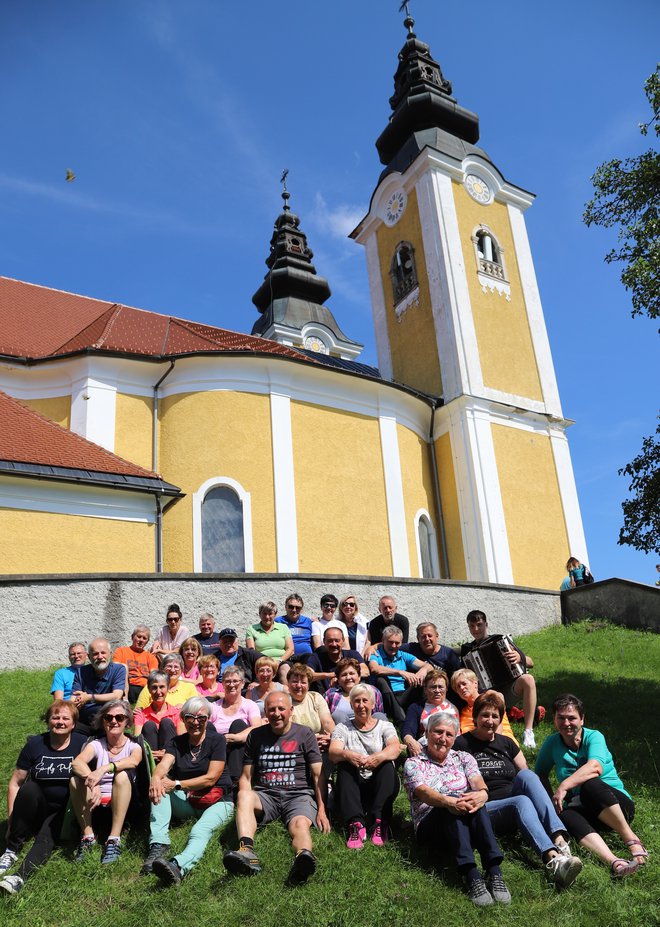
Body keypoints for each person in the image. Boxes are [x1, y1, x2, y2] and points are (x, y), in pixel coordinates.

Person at [456, 692, 583, 889]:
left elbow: (525, 774)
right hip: (485, 807)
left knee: (527, 776)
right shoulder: (462, 744)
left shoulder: (506, 742)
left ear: (500, 720)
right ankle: (554, 861)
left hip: (512, 798)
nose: (490, 721)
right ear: (475, 717)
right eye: (485, 715)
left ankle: (559, 841)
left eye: (495, 716)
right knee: (522, 801)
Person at [404, 712, 511, 907]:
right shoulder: (414, 762)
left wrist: (482, 794)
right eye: (438, 732)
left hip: (463, 818)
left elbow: (476, 779)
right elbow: (423, 792)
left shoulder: (463, 757)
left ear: (455, 738)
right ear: (427, 733)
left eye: (449, 734)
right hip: (430, 826)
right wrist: (449, 801)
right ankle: (471, 875)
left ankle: (494, 871)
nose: (443, 738)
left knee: (474, 800)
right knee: (454, 799)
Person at [222, 691, 330, 885]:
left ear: (291, 710)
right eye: (271, 709)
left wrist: (322, 810)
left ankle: (303, 858)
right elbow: (246, 776)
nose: (277, 713)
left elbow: (318, 774)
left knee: (300, 825)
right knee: (244, 795)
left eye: (281, 709)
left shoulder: (304, 734)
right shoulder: (255, 735)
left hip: (298, 795)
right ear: (265, 712)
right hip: (266, 795)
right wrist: (243, 800)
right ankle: (246, 852)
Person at [536, 694, 647, 877]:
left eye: (571, 718)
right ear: (554, 719)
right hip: (588, 812)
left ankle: (632, 839)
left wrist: (564, 786)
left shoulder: (594, 737)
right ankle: (615, 862)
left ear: (582, 719)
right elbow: (540, 773)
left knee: (589, 784)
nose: (566, 723)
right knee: (565, 814)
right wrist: (551, 803)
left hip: (616, 806)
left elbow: (595, 767)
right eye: (561, 718)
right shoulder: (552, 743)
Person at [141, 696, 235, 884]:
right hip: (190, 800)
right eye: (190, 717)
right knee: (161, 786)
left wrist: (176, 784)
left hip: (219, 800)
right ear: (183, 718)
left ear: (208, 719)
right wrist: (155, 778)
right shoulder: (176, 743)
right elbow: (165, 764)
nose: (196, 723)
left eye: (202, 718)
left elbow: (211, 778)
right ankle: (159, 843)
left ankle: (178, 866)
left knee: (199, 831)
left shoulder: (217, 741)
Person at [0, 700, 87, 895]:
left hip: (64, 810)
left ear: (73, 724)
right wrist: (12, 820)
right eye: (55, 717)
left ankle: (19, 877)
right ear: (48, 721)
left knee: (46, 837)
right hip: (37, 806)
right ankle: (11, 849)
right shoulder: (35, 744)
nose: (60, 722)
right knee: (29, 788)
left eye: (66, 718)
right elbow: (15, 783)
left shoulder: (82, 744)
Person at [69, 700, 143, 864]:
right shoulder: (96, 744)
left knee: (122, 775)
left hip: (125, 803)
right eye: (108, 718)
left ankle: (114, 839)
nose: (114, 721)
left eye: (119, 717)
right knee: (75, 780)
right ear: (103, 721)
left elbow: (134, 761)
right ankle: (88, 836)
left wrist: (104, 769)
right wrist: (93, 783)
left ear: (127, 722)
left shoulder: (133, 745)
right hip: (96, 800)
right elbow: (77, 763)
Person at [329, 684, 400, 848]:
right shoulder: (342, 728)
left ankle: (379, 821)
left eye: (364, 701)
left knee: (387, 764)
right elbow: (333, 752)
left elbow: (395, 748)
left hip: (379, 783)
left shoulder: (385, 725)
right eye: (356, 701)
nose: (361, 705)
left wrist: (378, 757)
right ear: (352, 705)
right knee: (344, 766)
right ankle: (356, 824)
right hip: (354, 785)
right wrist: (347, 754)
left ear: (373, 704)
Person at [460, 610, 539, 748]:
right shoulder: (467, 649)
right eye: (472, 626)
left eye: (479, 625)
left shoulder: (500, 640)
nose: (476, 629)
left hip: (508, 689)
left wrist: (520, 658)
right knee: (496, 695)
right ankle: (497, 738)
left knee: (528, 679)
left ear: (486, 624)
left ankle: (528, 731)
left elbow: (531, 663)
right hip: (486, 695)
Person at [209, 667, 262, 785]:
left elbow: (257, 728)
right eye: (227, 681)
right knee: (208, 725)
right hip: (217, 749)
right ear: (222, 684)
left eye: (235, 681)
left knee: (238, 724)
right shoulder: (214, 706)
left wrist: (234, 737)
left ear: (242, 683)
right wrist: (220, 741)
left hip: (240, 749)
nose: (231, 684)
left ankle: (235, 781)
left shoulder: (249, 705)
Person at [368, 625, 425, 725]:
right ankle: (401, 721)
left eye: (397, 643)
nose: (394, 645)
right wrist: (400, 672)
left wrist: (422, 672)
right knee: (381, 679)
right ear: (383, 640)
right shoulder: (376, 654)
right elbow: (374, 668)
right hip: (385, 695)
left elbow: (427, 666)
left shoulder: (403, 655)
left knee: (422, 680)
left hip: (403, 694)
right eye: (390, 642)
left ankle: (422, 717)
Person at [71, 638, 127, 733]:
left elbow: (116, 696)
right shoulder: (81, 672)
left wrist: (88, 697)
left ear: (110, 653)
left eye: (103, 653)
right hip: (85, 716)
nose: (100, 657)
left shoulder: (118, 670)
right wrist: (77, 701)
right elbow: (73, 698)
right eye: (96, 654)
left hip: (109, 716)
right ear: (89, 656)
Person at [401, 670, 459, 756]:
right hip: (425, 750)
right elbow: (408, 730)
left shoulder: (453, 709)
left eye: (440, 687)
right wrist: (410, 740)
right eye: (433, 687)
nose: (437, 690)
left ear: (446, 689)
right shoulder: (416, 708)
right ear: (425, 689)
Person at [451, 669, 517, 742]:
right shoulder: (463, 713)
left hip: (503, 744)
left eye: (464, 684)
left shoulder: (490, 700)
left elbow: (499, 696)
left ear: (475, 683)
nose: (461, 688)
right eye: (458, 687)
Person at [133, 670, 182, 761]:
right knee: (149, 725)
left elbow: (183, 740)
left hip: (170, 757)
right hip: (149, 757)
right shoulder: (140, 714)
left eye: (162, 687)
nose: (158, 692)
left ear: (168, 688)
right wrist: (151, 753)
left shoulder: (177, 713)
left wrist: (167, 752)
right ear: (149, 689)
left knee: (167, 723)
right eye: (154, 687)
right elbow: (137, 741)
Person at [401, 622, 461, 691]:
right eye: (423, 636)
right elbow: (391, 647)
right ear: (418, 639)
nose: (427, 639)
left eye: (430, 635)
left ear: (436, 636)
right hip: (413, 694)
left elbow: (457, 678)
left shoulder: (449, 655)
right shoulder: (410, 649)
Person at [307, 626, 368, 692]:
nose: (334, 644)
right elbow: (306, 675)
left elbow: (365, 671)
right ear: (324, 641)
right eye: (330, 641)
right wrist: (330, 675)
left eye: (337, 640)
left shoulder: (352, 654)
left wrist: (341, 678)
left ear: (343, 641)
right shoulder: (316, 657)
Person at [325, 658, 384, 724]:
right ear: (338, 680)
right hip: (343, 731)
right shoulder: (331, 694)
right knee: (338, 715)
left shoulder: (373, 691)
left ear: (359, 677)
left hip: (369, 730)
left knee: (380, 716)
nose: (348, 677)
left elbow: (379, 713)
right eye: (344, 675)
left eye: (351, 673)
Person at [113, 627, 158, 703]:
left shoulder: (151, 657)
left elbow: (154, 675)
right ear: (132, 637)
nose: (141, 640)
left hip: (144, 687)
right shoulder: (121, 651)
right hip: (127, 685)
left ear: (147, 642)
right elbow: (115, 668)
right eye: (139, 636)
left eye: (144, 638)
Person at [275, 593, 314, 674]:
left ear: (302, 609)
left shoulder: (308, 622)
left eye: (298, 608)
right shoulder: (278, 622)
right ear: (285, 607)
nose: (294, 610)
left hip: (307, 658)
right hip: (289, 658)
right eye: (291, 607)